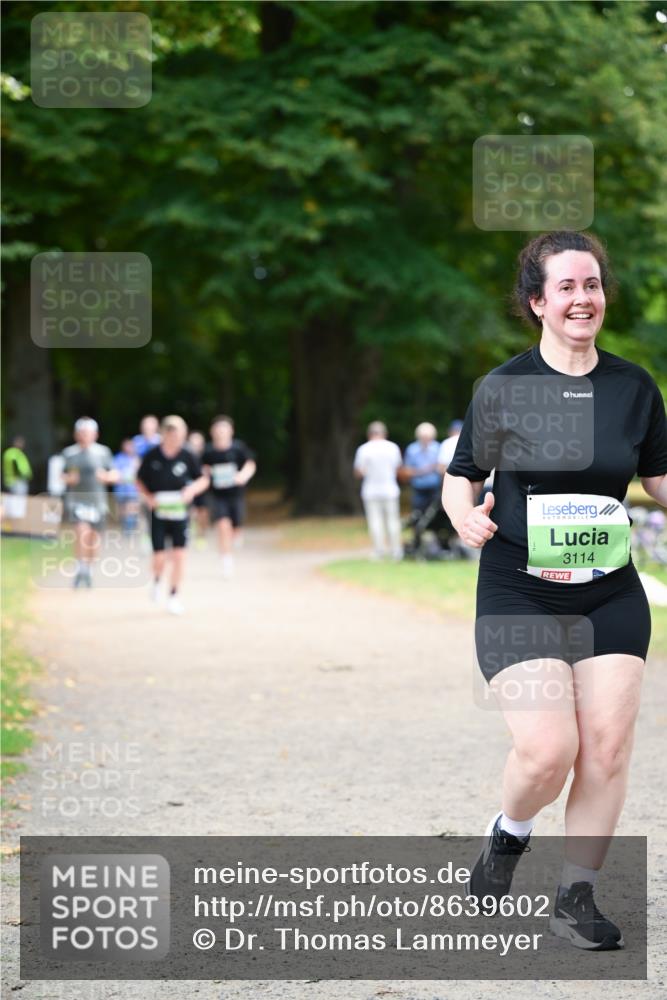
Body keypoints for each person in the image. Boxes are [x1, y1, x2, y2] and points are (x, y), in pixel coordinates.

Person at [443, 230, 667, 951]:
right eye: (566, 287)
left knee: (604, 749)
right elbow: (462, 474)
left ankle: (575, 897)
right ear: (537, 301)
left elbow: (659, 481)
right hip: (520, 589)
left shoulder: (633, 388)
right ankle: (508, 835)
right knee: (548, 750)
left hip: (609, 593)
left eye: (592, 284)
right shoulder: (503, 388)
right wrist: (461, 516)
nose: (583, 298)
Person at [136, 415, 209, 615]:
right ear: (164, 434)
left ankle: (174, 595)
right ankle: (157, 580)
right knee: (159, 556)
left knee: (179, 556)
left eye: (178, 435)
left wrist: (191, 490)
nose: (175, 439)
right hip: (158, 511)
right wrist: (148, 498)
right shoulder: (152, 455)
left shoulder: (189, 455)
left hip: (180, 513)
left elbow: (203, 479)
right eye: (170, 435)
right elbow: (139, 480)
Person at [61, 418, 119, 588]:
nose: (84, 437)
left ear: (95, 434)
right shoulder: (69, 453)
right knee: (81, 531)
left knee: (94, 540)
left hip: (97, 503)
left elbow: (115, 474)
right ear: (76, 434)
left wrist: (106, 477)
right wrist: (68, 479)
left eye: (87, 433)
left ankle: (89, 570)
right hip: (77, 501)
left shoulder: (103, 452)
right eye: (81, 433)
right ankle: (80, 568)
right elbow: (60, 475)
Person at [202, 415, 256, 578]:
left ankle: (235, 535)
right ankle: (226, 560)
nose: (221, 433)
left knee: (236, 527)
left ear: (230, 431)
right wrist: (207, 473)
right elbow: (201, 468)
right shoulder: (209, 451)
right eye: (218, 430)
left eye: (224, 429)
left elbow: (250, 463)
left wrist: (243, 476)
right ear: (212, 432)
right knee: (222, 526)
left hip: (236, 495)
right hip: (217, 496)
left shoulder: (238, 448)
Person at [353, 421, 403, 560]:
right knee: (393, 521)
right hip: (390, 489)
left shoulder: (364, 449)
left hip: (371, 490)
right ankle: (396, 550)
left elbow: (359, 472)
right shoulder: (392, 447)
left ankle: (379, 550)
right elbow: (398, 468)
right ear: (384, 433)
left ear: (369, 434)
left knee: (375, 521)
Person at [112, 438, 140, 535]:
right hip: (121, 490)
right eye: (126, 445)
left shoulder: (136, 459)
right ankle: (126, 527)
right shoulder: (118, 458)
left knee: (131, 509)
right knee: (123, 511)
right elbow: (115, 473)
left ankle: (130, 529)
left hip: (133, 490)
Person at [187, 430, 209, 549]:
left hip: (202, 491)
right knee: (190, 513)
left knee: (202, 514)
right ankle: (189, 533)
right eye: (193, 442)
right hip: (188, 489)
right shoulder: (185, 456)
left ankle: (201, 536)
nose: (195, 445)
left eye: (198, 442)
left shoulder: (206, 456)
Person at [2, 434, 33, 521]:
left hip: (12, 481)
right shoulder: (14, 453)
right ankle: (15, 522)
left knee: (12, 501)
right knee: (17, 501)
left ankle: (11, 521)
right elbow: (17, 467)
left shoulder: (10, 452)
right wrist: (25, 474)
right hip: (16, 481)